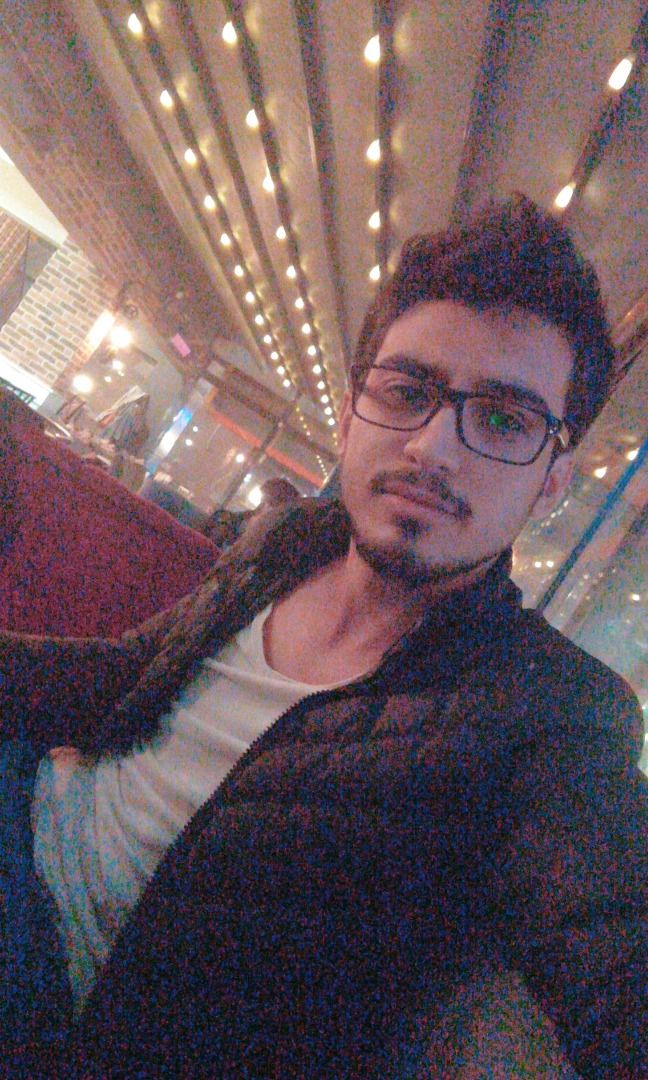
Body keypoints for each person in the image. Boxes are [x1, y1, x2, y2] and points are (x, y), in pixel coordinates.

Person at [1, 194, 646, 1078]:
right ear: (351, 412)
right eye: (407, 392)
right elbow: (125, 675)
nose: (433, 448)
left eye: (504, 420)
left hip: (64, 993)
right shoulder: (289, 542)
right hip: (28, 805)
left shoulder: (548, 716)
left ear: (552, 481)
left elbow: (614, 950)